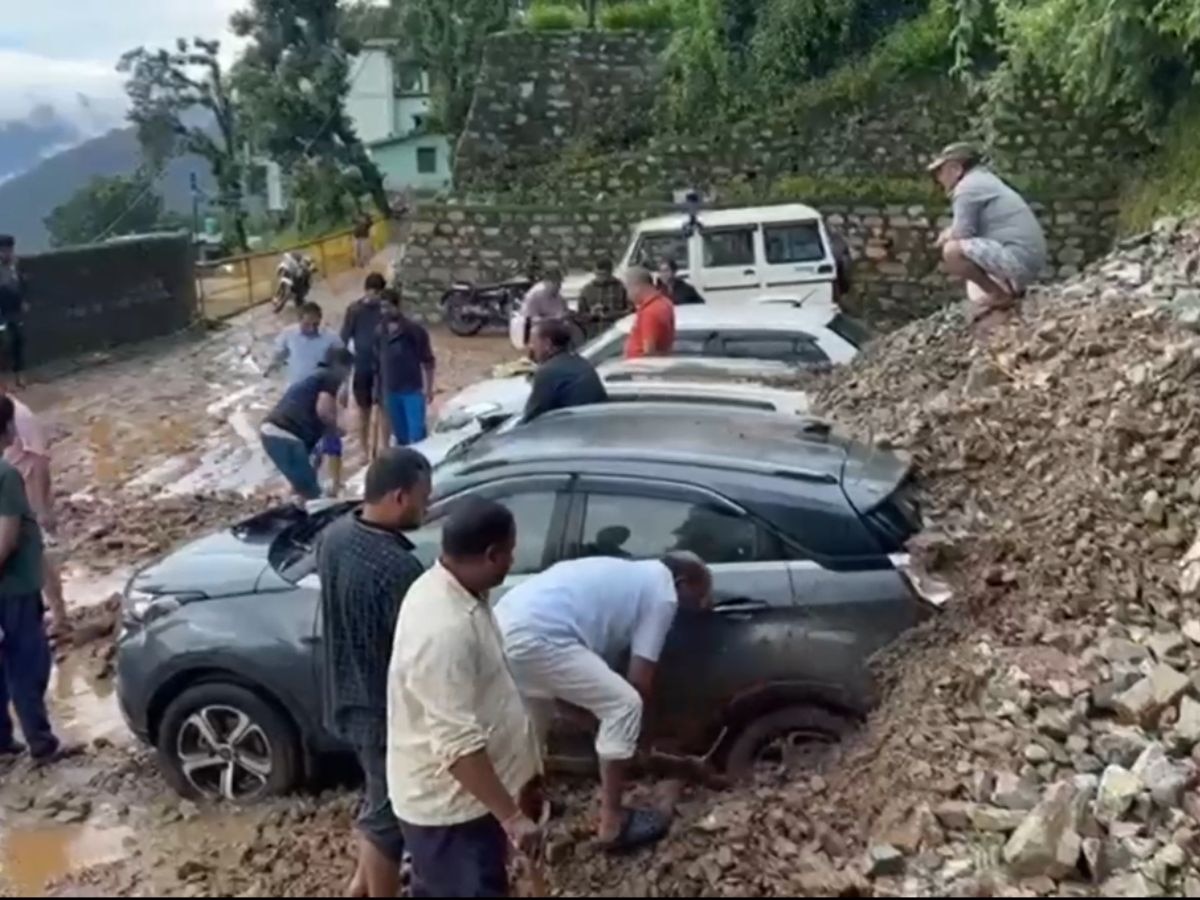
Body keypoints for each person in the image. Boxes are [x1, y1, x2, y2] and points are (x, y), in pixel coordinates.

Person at [495, 554, 713, 851]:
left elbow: (558, 690)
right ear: (682, 582)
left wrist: (594, 721)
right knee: (625, 705)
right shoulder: (663, 592)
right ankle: (613, 822)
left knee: (532, 729)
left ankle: (523, 814)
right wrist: (639, 738)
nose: (697, 607)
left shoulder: (626, 574)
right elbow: (639, 680)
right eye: (698, 597)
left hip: (501, 628)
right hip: (539, 636)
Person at [388, 498, 544, 898]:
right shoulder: (444, 629)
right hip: (452, 813)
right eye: (510, 551)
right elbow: (457, 750)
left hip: (475, 803)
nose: (513, 560)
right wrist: (511, 818)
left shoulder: (459, 591)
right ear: (492, 555)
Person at [318, 448, 432, 898]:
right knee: (388, 821)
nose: (428, 506)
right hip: (384, 713)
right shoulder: (397, 568)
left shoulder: (336, 534)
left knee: (377, 801)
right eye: (424, 498)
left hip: (344, 694)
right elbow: (417, 654)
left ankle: (359, 887)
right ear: (400, 497)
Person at [0, 395, 80, 766]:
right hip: (14, 585)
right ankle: (42, 744)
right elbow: (8, 534)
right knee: (27, 664)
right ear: (9, 428)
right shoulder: (7, 473)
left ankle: (3, 741)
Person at [927, 141, 1047, 333]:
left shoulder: (967, 188)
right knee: (973, 286)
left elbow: (961, 234)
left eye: (940, 172)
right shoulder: (983, 180)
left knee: (952, 252)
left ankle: (999, 295)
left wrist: (946, 235)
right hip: (1025, 257)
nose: (939, 179)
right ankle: (1006, 295)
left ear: (956, 168)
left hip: (1017, 259)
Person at [0, 384, 67, 639]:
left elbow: (39, 460)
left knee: (40, 558)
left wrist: (41, 507)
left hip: (28, 495)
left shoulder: (20, 416)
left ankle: (60, 618)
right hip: (13, 495)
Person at [266, 302, 346, 494]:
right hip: (297, 398)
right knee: (304, 443)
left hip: (324, 394)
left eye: (315, 324)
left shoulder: (331, 338)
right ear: (299, 319)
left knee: (331, 436)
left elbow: (343, 362)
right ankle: (304, 483)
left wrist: (344, 394)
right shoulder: (288, 335)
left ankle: (335, 483)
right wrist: (271, 367)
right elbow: (279, 354)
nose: (311, 328)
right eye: (307, 324)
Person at [260, 347, 353, 500]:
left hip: (272, 432)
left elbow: (325, 453)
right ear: (344, 367)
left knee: (302, 488)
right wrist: (336, 426)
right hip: (286, 434)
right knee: (314, 496)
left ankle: (288, 506)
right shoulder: (330, 376)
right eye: (349, 371)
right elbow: (323, 410)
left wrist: (335, 483)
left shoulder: (312, 379)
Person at [377, 291, 436, 447]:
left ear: (398, 306)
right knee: (400, 436)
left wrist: (429, 389)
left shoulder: (414, 331)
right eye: (382, 307)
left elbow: (428, 361)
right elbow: (377, 363)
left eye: (388, 307)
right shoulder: (379, 331)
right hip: (390, 391)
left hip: (412, 390)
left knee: (417, 435)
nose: (384, 311)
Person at [523, 319, 607, 423]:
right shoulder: (581, 362)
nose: (530, 346)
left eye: (533, 342)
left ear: (547, 344)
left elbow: (531, 418)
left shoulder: (549, 372)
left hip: (569, 432)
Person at [341, 274, 388, 458]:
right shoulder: (354, 310)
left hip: (383, 366)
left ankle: (384, 448)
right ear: (366, 290)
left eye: (379, 292)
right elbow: (344, 338)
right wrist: (343, 375)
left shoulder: (385, 310)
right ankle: (363, 449)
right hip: (362, 365)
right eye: (373, 291)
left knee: (384, 408)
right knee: (363, 409)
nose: (375, 295)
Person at [623, 267, 675, 360]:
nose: (627, 295)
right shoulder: (663, 302)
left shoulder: (650, 311)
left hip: (640, 369)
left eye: (628, 289)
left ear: (637, 286)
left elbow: (649, 352)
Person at [0, 235, 28, 386]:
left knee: (18, 340)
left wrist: (23, 300)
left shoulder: (16, 265)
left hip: (14, 308)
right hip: (1, 309)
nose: (6, 253)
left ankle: (19, 375)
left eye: (8, 250)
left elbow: (23, 283)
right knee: (4, 342)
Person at [577, 258, 630, 334]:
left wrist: (612, 314)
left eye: (603, 275)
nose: (599, 277)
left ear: (610, 272)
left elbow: (631, 312)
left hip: (616, 330)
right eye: (597, 274)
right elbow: (580, 316)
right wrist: (592, 314)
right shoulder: (587, 290)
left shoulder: (621, 288)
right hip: (593, 331)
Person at [520, 268, 567, 344]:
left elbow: (564, 314)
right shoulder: (534, 296)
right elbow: (531, 320)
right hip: (538, 332)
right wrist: (552, 320)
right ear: (546, 282)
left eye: (559, 283)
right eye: (555, 283)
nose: (558, 286)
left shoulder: (560, 299)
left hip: (557, 332)